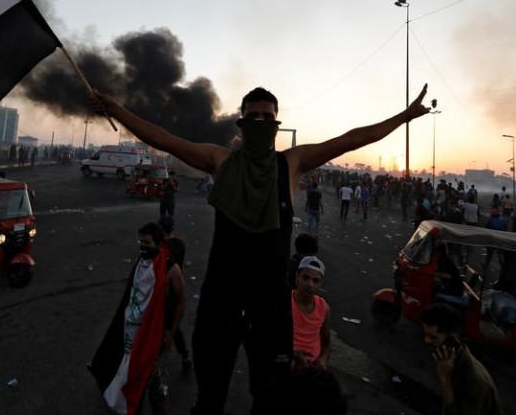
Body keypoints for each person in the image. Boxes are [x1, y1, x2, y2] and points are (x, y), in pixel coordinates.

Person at [89, 83, 431, 415]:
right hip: (220, 298)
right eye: (252, 116)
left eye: (267, 117)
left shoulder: (291, 163)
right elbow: (163, 138)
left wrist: (405, 116)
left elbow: (351, 139)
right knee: (210, 394)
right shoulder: (220, 160)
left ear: (276, 123)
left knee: (269, 396)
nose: (260, 123)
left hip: (269, 303)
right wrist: (117, 109)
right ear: (241, 121)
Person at [89, 222, 185, 415]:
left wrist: (171, 334)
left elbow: (181, 303)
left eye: (147, 242)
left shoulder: (170, 269)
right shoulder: (141, 263)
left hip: (154, 336)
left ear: (159, 244)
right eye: (140, 241)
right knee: (132, 375)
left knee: (154, 382)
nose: (142, 246)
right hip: (132, 331)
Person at [420, 303, 502, 415]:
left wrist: (445, 380)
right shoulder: (454, 362)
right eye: (426, 335)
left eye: (433, 337)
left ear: (451, 339)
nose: (427, 341)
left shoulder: (476, 383)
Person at [159, 215, 193, 374]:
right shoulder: (181, 244)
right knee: (173, 323)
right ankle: (184, 354)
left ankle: (165, 348)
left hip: (166, 289)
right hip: (177, 286)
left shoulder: (163, 248)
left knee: (165, 322)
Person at [291, 256, 331, 369]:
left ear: (320, 283)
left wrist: (323, 361)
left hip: (312, 370)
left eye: (315, 280)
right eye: (306, 277)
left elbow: (326, 344)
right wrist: (293, 355)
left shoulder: (324, 308)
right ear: (297, 276)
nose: (310, 284)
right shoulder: (284, 302)